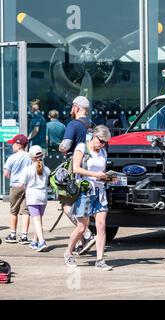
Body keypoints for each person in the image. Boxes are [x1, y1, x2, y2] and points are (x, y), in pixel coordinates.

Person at [64, 125, 113, 270]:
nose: (103, 144)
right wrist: (94, 175)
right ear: (94, 136)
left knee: (101, 226)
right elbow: (76, 168)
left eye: (105, 142)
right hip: (85, 191)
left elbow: (101, 172)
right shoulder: (82, 148)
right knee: (81, 227)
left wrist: (108, 178)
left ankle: (100, 260)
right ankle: (68, 252)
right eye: (101, 141)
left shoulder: (103, 152)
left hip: (100, 192)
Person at [58, 96, 96, 255]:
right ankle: (83, 240)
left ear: (76, 107)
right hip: (89, 169)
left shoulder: (73, 124)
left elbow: (65, 146)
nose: (71, 109)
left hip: (74, 168)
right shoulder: (91, 125)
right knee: (82, 205)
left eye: (72, 106)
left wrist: (61, 148)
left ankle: (87, 234)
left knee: (67, 204)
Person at [18, 145, 51, 252]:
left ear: (31, 157)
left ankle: (41, 242)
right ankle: (34, 241)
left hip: (32, 196)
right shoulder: (47, 169)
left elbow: (21, 184)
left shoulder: (27, 169)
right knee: (39, 219)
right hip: (43, 196)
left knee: (36, 220)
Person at [3, 134, 32, 244]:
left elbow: (6, 173)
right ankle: (24, 236)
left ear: (19, 145)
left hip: (15, 186)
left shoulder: (11, 157)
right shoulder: (29, 156)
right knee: (25, 211)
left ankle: (13, 234)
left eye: (14, 143)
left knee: (13, 211)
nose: (12, 145)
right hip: (27, 186)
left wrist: (12, 177)